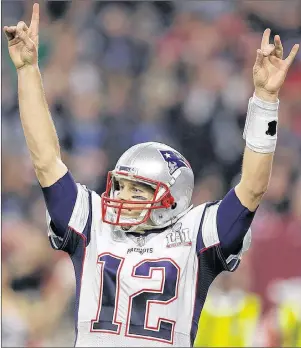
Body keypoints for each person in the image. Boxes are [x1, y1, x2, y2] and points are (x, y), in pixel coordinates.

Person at [4, 3, 299, 347]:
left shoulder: (195, 234)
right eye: (121, 186)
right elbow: (46, 162)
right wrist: (27, 70)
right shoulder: (95, 223)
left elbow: (252, 188)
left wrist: (265, 99)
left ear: (172, 200)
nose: (123, 197)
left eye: (138, 190)